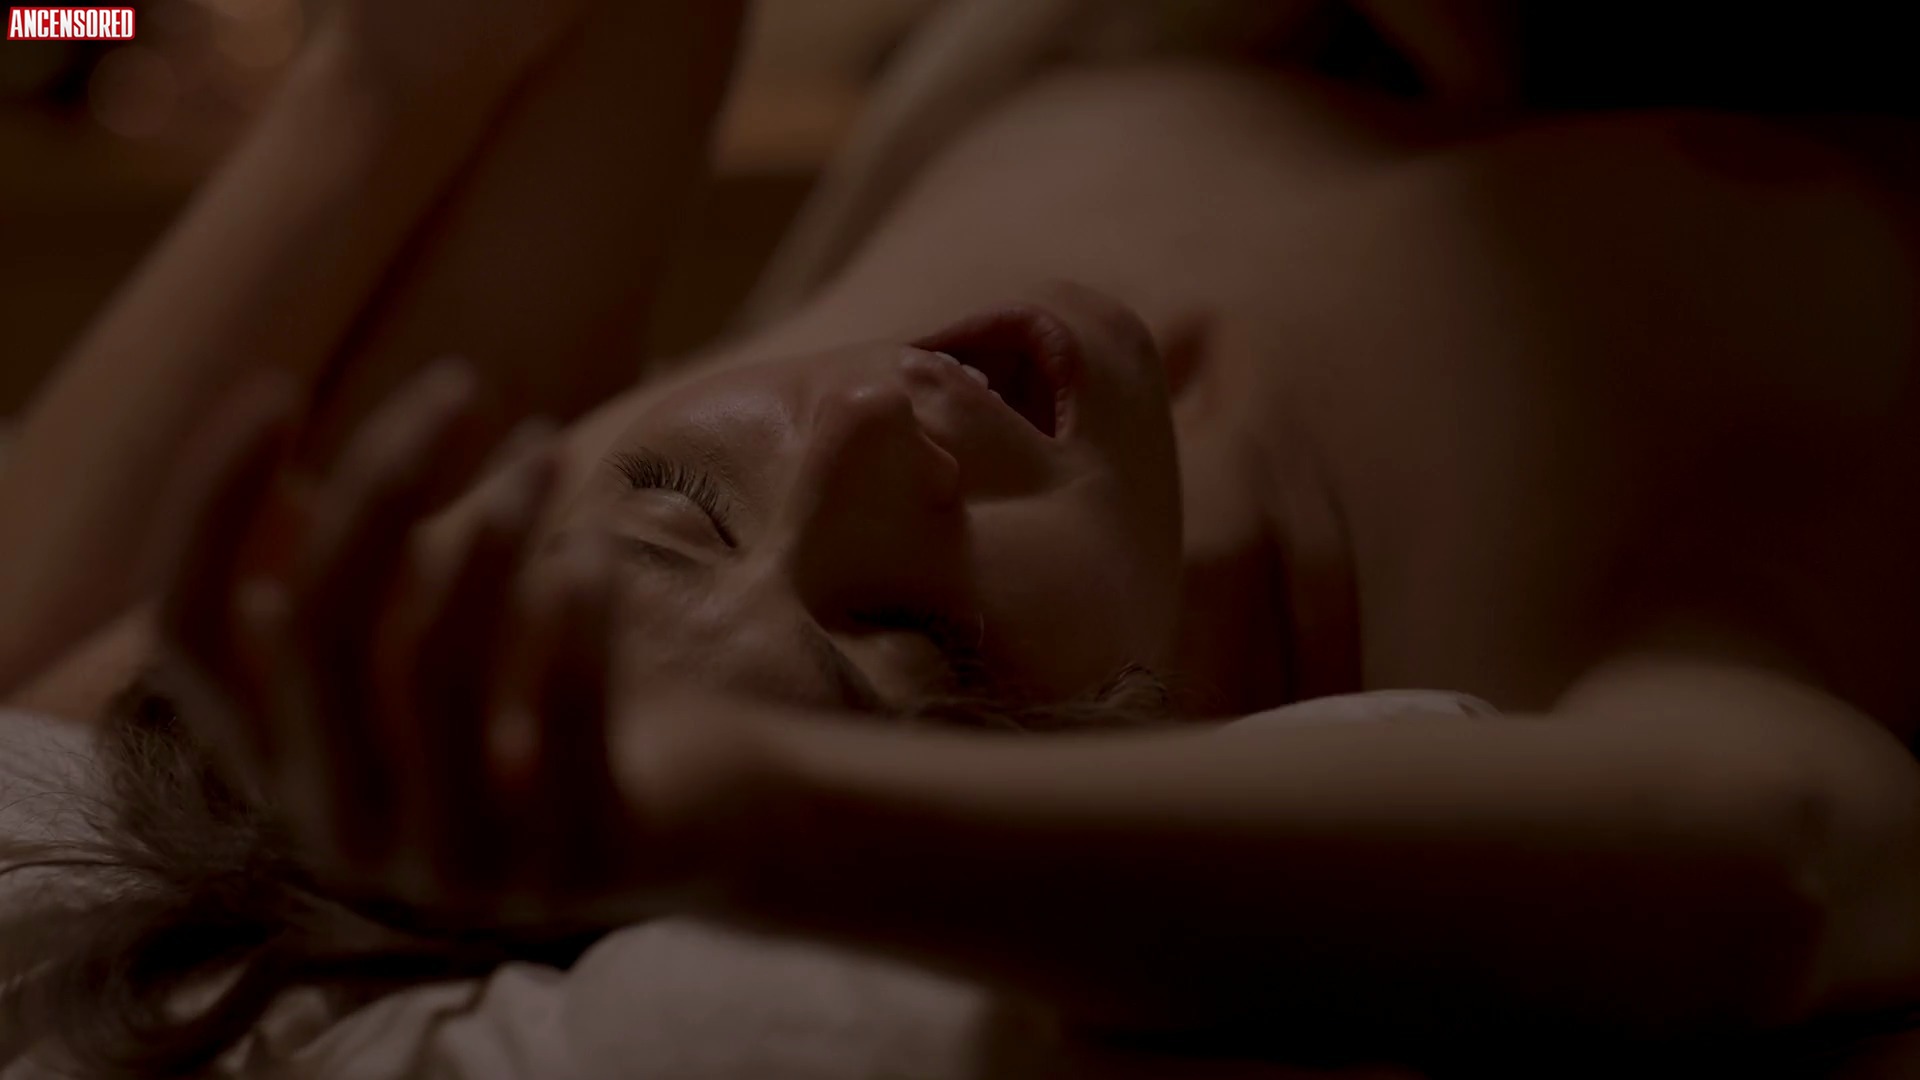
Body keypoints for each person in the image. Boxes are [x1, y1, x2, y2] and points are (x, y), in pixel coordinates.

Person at [1, 0, 1917, 1075]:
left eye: (682, 506)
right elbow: (1790, 869)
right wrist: (753, 821)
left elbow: (43, 688)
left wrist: (356, 92)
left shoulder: (593, 488)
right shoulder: (1538, 620)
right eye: (914, 639)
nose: (864, 434)